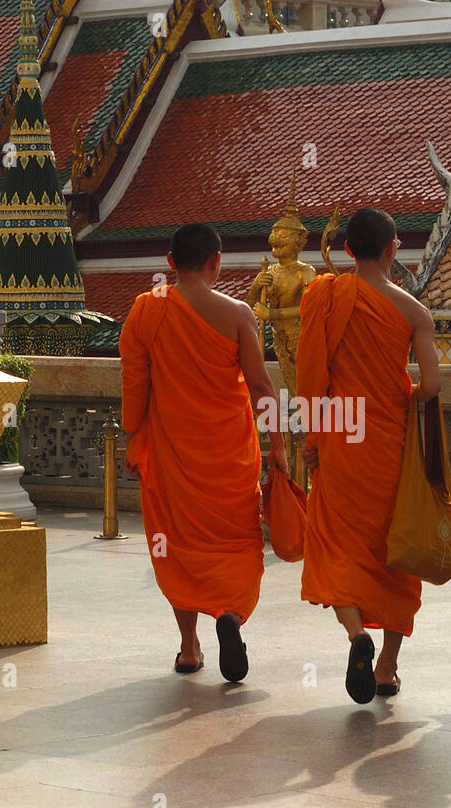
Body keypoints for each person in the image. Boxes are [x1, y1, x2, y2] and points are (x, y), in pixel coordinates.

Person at [120, 223, 289, 682]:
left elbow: (135, 388)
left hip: (173, 454)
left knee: (178, 544)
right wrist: (277, 445)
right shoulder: (237, 314)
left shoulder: (145, 310)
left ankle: (189, 647)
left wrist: (135, 441)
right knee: (236, 540)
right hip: (230, 456)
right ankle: (230, 612)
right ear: (216, 261)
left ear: (171, 263)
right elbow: (261, 386)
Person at [297, 208, 441, 703]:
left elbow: (311, 377)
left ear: (348, 251)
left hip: (340, 439)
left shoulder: (326, 296)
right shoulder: (413, 311)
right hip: (390, 446)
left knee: (339, 545)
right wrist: (403, 395)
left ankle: (356, 633)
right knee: (396, 550)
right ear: (392, 249)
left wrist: (313, 439)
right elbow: (433, 386)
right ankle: (386, 666)